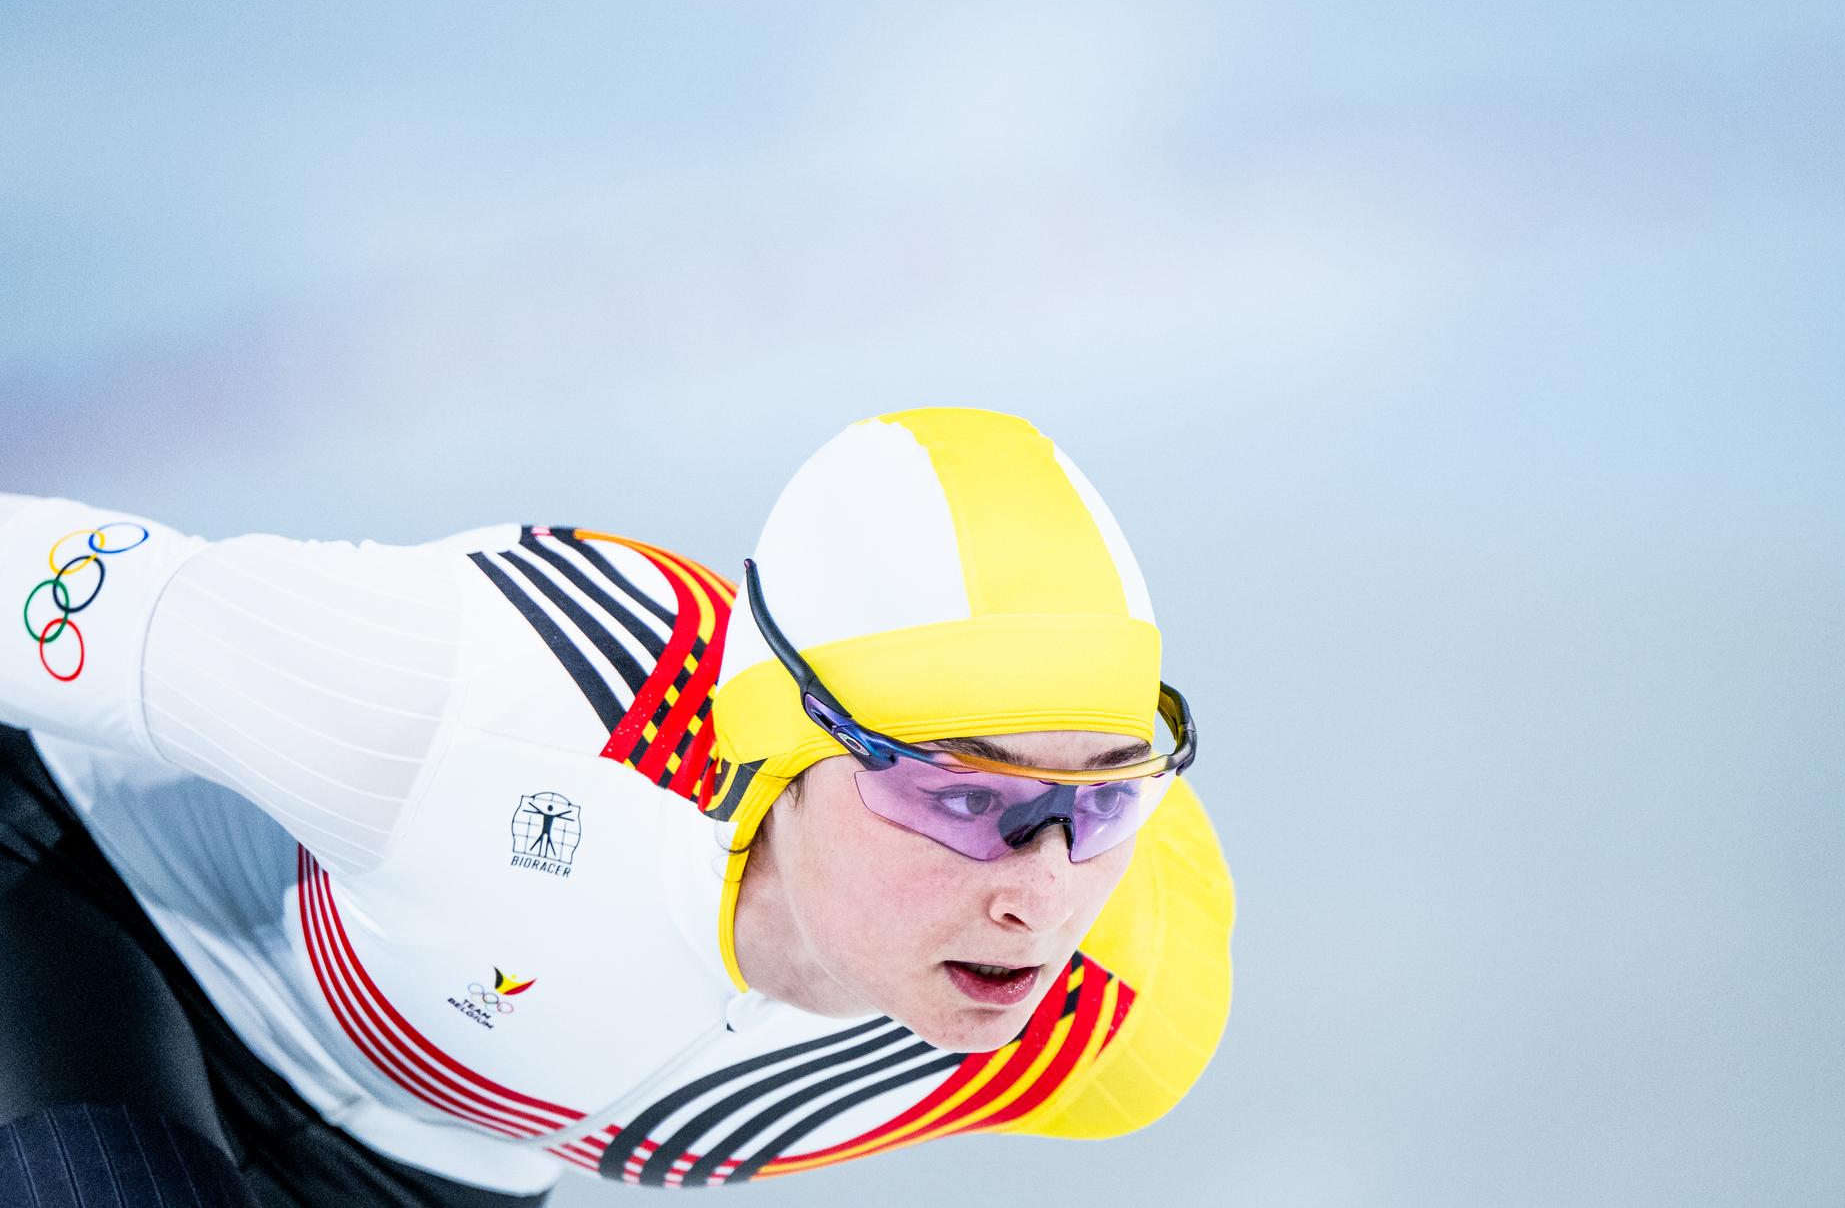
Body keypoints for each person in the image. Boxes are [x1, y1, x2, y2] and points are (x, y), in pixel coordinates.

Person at [0, 407, 1233, 1206]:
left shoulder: (1113, 1011)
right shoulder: (474, 691)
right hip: (97, 926)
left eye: (1108, 802)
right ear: (781, 747)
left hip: (418, 1176)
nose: (1041, 895)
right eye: (964, 797)